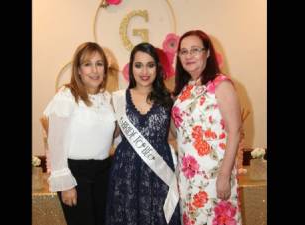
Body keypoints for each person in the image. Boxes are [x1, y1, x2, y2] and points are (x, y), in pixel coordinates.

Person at [171, 30, 243, 224]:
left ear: (207, 53)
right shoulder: (183, 90)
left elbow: (235, 131)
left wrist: (225, 175)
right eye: (184, 51)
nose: (189, 56)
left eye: (195, 50)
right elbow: (178, 133)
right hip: (189, 177)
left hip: (215, 175)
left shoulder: (221, 84)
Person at [105, 42, 181, 225]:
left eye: (150, 65)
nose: (144, 71)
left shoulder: (168, 99)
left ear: (158, 68)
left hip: (159, 172)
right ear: (131, 68)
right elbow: (110, 135)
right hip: (126, 172)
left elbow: (178, 135)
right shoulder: (117, 99)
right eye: (138, 65)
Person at [43, 42, 117, 225]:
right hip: (76, 174)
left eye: (99, 64)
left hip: (104, 172)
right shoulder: (66, 95)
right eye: (87, 64)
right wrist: (66, 184)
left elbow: (113, 137)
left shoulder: (108, 98)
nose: (94, 70)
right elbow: (56, 142)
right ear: (78, 70)